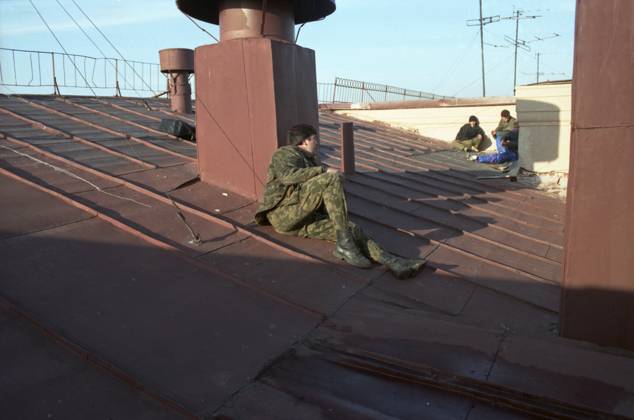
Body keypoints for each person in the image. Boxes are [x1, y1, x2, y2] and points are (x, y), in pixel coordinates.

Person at [254, 124, 426, 279]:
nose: (318, 143)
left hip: (304, 219)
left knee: (352, 229)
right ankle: (345, 245)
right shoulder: (285, 153)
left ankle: (394, 263)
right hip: (284, 214)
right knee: (331, 177)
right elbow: (287, 177)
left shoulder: (311, 160)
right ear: (306, 141)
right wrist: (323, 171)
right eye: (315, 139)